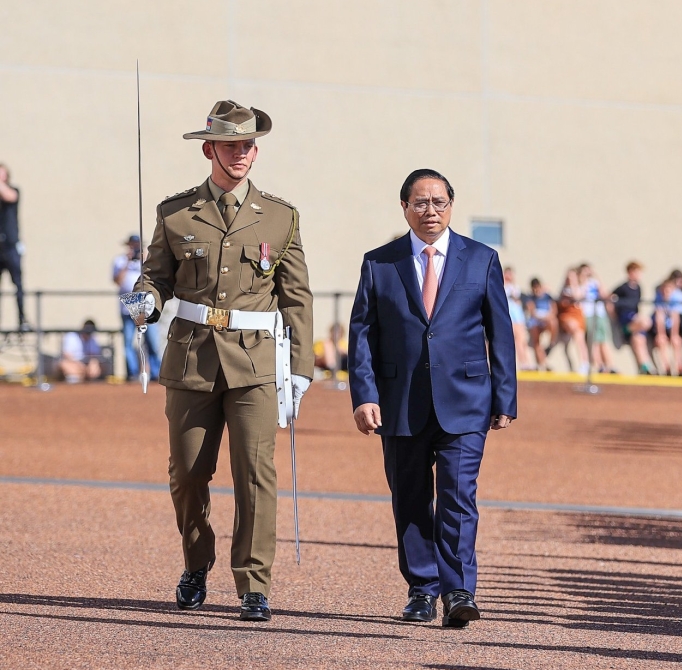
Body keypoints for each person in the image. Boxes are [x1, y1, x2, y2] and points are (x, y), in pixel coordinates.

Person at [139, 100, 315, 623]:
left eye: (248, 145)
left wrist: (300, 368)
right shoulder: (175, 213)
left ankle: (253, 582)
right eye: (231, 145)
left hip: (255, 363)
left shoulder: (281, 216)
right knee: (188, 473)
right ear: (209, 149)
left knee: (255, 475)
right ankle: (197, 562)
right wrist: (145, 299)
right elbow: (156, 275)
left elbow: (296, 296)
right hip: (193, 357)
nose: (241, 154)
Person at [349, 168, 516, 629]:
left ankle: (459, 590)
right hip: (399, 401)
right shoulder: (379, 263)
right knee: (410, 497)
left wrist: (505, 397)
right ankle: (422, 588)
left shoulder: (481, 259)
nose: (430, 211)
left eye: (439, 202)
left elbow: (500, 332)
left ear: (451, 206)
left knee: (459, 497)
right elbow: (361, 334)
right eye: (420, 203)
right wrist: (363, 395)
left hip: (466, 400)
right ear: (404, 207)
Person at [113, 234, 161, 382]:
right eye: (132, 245)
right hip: (127, 308)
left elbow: (156, 276)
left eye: (137, 245)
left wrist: (145, 260)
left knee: (152, 341)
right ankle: (132, 373)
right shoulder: (120, 261)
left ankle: (155, 372)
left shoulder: (147, 260)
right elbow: (117, 281)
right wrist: (128, 262)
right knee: (128, 342)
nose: (134, 248)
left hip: (145, 308)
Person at [612, 262, 654, 374]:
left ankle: (646, 367)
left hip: (635, 319)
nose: (638, 274)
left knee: (639, 340)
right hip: (627, 317)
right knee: (646, 322)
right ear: (630, 272)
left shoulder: (638, 288)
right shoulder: (623, 287)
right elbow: (610, 298)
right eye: (636, 271)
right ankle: (625, 329)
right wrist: (614, 315)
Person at [0, 163, 28, 330]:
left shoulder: (14, 190)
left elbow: (9, 196)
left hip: (11, 245)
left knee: (18, 284)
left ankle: (22, 319)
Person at [578, 263, 616, 373]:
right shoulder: (580, 284)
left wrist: (596, 277)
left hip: (600, 314)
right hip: (588, 314)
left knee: (603, 339)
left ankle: (610, 365)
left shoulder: (595, 282)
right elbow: (580, 295)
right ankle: (599, 365)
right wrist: (583, 279)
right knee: (593, 340)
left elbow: (604, 294)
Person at [557, 268, 589, 373]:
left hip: (577, 316)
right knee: (574, 329)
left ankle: (584, 363)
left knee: (579, 338)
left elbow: (577, 297)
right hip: (567, 316)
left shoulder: (579, 288)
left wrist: (574, 283)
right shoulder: (563, 290)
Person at [503, 267, 533, 371]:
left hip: (518, 317)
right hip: (510, 317)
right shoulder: (502, 288)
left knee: (523, 340)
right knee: (518, 341)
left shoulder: (515, 288)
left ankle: (527, 362)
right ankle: (523, 362)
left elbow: (519, 300)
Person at [523, 278, 556, 370]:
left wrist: (547, 317)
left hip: (546, 321)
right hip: (535, 322)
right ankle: (543, 363)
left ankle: (551, 344)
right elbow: (532, 312)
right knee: (536, 342)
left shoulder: (547, 297)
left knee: (553, 322)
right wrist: (543, 317)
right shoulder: (530, 298)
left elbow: (553, 310)